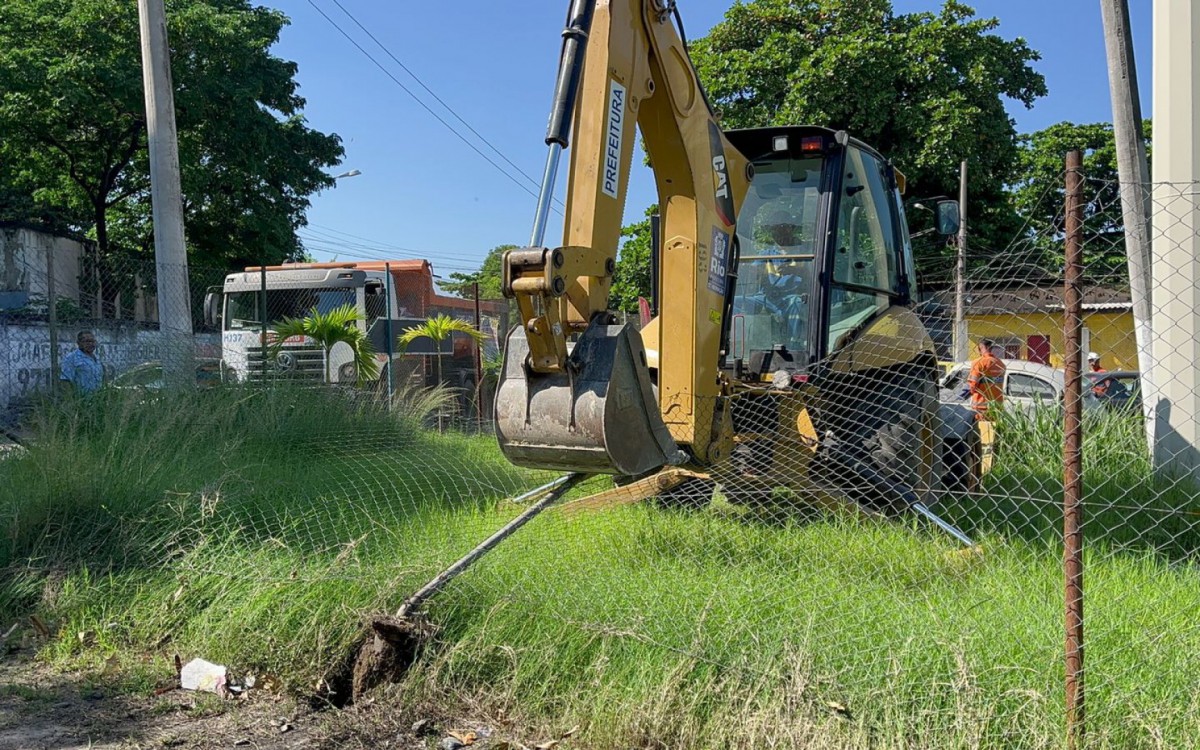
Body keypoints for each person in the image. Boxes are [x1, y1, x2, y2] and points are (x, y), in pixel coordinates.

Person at [967, 338, 1005, 419]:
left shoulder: (978, 363)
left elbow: (972, 385)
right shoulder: (1000, 363)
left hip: (981, 407)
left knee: (982, 430)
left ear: (980, 347)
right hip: (997, 407)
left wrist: (967, 392)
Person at [60, 330, 103, 394]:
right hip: (80, 399)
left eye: (93, 341)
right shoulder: (72, 358)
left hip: (97, 398)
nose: (91, 344)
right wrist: (72, 401)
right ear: (78, 343)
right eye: (87, 341)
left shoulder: (96, 358)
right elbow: (65, 381)